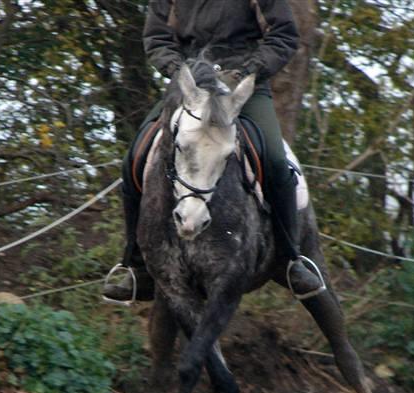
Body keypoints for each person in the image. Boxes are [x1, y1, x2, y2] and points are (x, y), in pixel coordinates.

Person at [103, 0, 324, 302]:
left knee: (273, 158)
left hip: (244, 86)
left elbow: (283, 34)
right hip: (190, 87)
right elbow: (156, 38)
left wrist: (248, 71)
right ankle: (136, 266)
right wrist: (180, 70)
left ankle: (291, 260)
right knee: (135, 157)